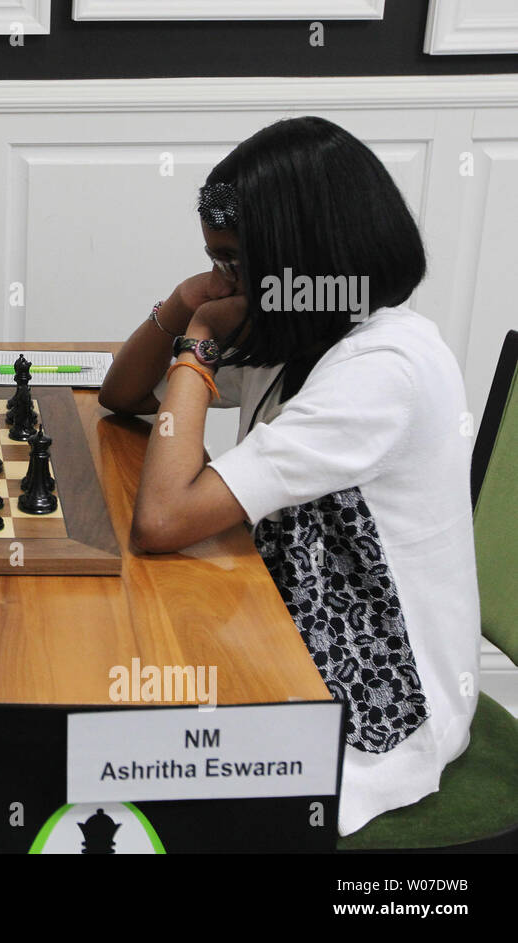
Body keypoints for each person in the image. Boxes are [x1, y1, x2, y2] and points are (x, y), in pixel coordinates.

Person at [99, 116, 480, 837]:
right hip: (282, 628)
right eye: (216, 261)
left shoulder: (382, 370)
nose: (225, 281)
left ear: (300, 256)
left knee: (108, 755)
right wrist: (188, 298)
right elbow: (122, 393)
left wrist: (202, 340)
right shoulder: (309, 326)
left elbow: (161, 519)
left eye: (236, 262)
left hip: (373, 705)